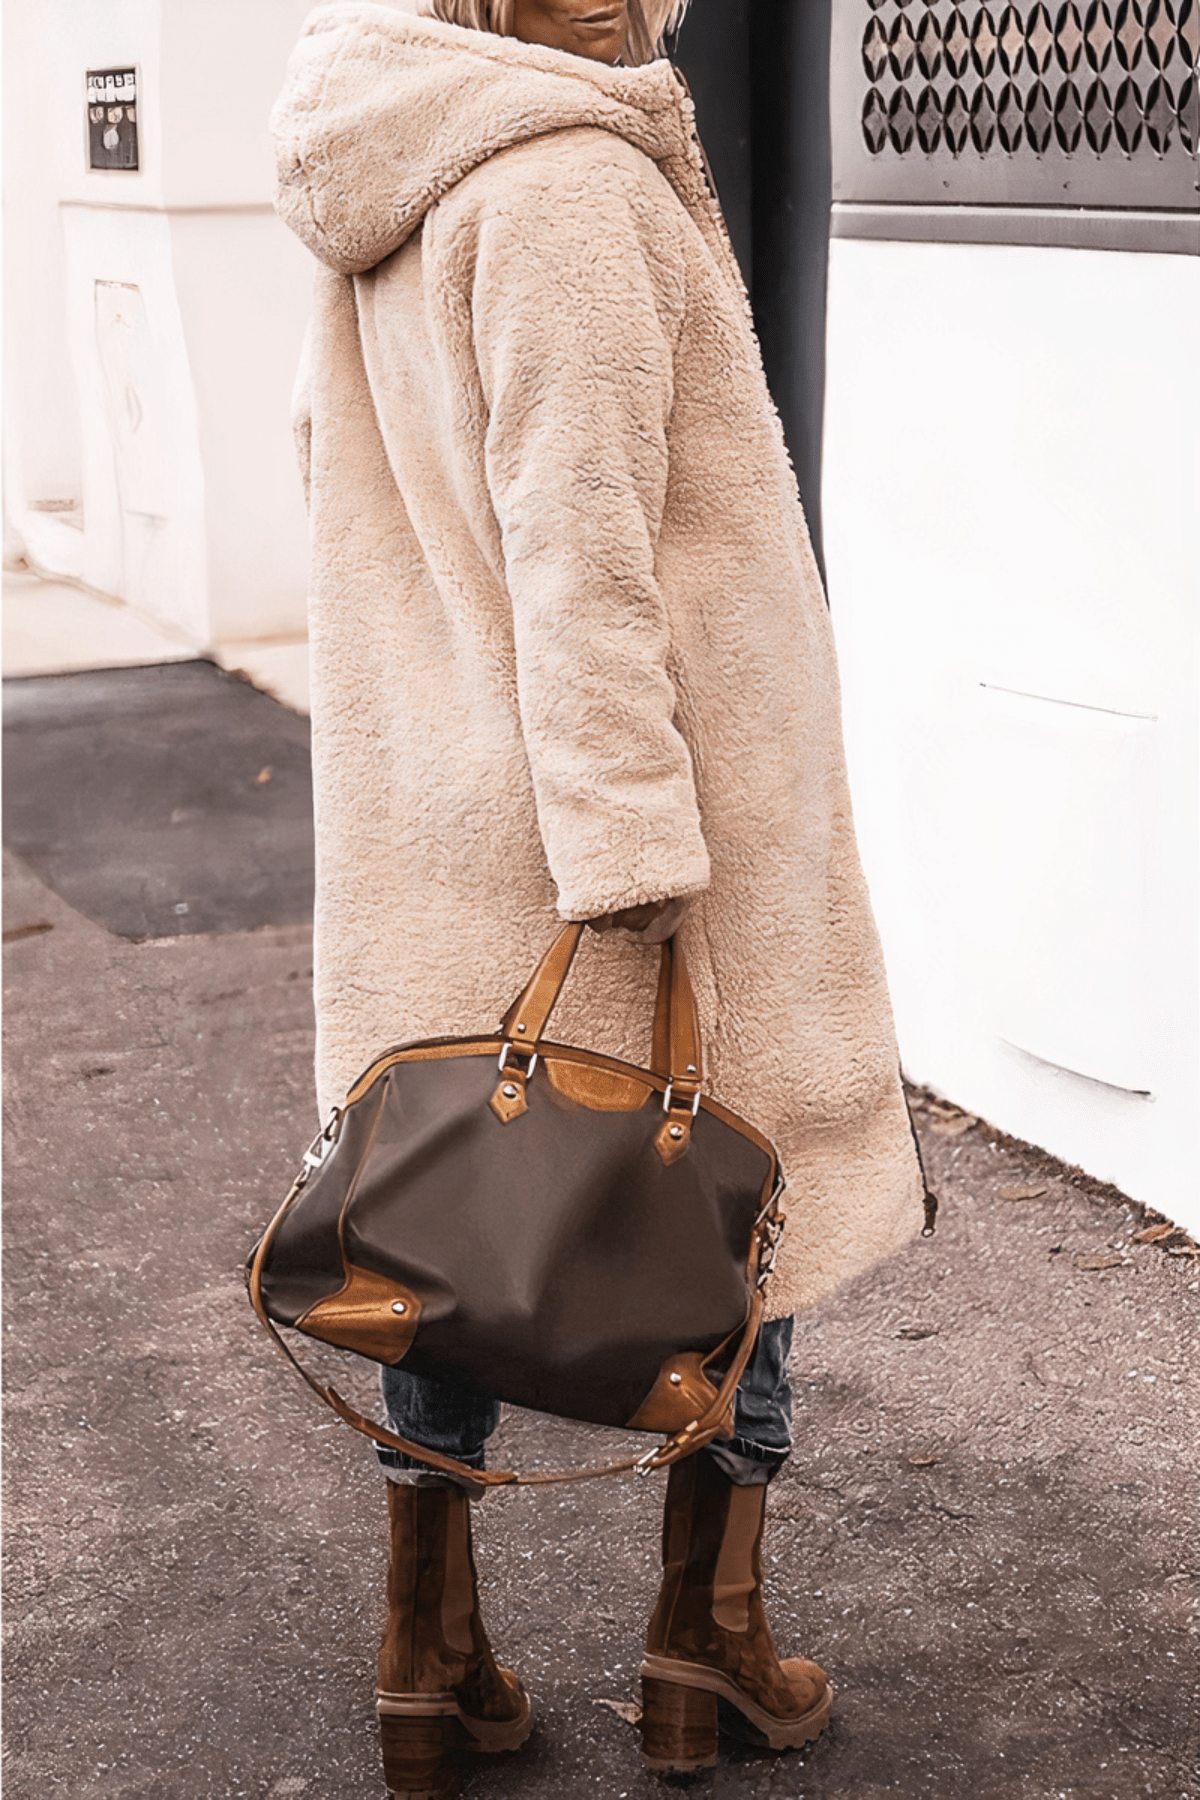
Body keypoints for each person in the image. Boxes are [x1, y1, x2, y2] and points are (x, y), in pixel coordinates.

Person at [271, 0, 930, 1791]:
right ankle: (705, 1642)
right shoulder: (565, 179)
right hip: (629, 810)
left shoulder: (403, 161)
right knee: (736, 1194)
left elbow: (341, 491)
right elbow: (582, 551)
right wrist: (637, 853)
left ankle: (433, 1650)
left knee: (441, 1230)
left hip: (446, 803)